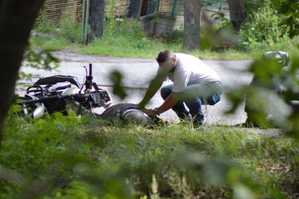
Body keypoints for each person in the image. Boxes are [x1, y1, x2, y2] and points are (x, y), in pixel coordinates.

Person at [138, 50, 223, 126]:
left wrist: (156, 111)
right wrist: (142, 104)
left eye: (165, 67)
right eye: (161, 66)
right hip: (195, 85)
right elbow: (156, 83)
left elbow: (175, 96)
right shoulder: (166, 63)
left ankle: (197, 123)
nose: (163, 69)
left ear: (173, 60)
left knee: (186, 92)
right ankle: (185, 120)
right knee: (165, 91)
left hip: (213, 89)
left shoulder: (182, 69)